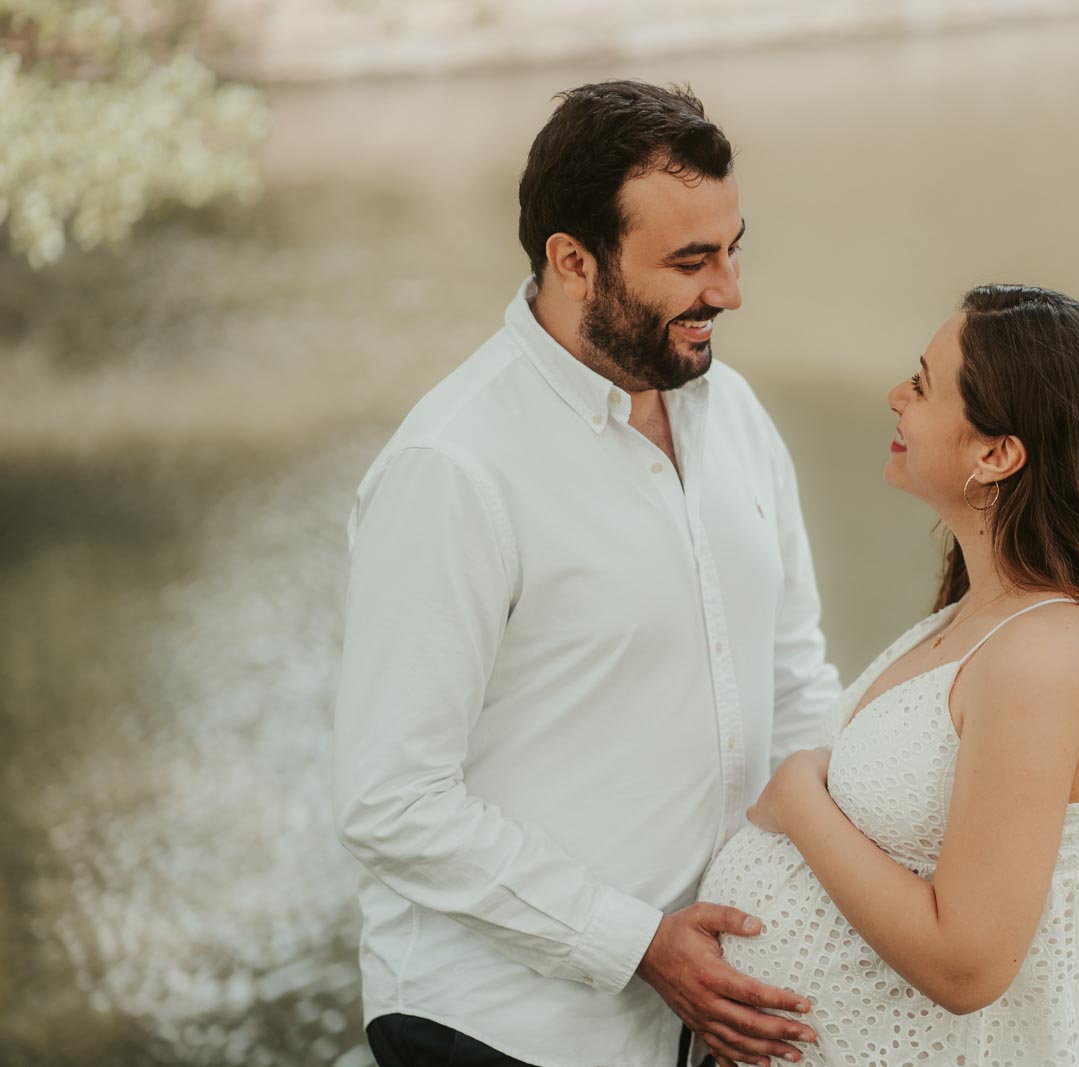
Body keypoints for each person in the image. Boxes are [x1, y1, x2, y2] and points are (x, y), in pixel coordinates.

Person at [332, 81, 842, 1067]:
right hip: (499, 1028)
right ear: (572, 259)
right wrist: (640, 942)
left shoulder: (730, 413)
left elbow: (794, 680)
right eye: (690, 261)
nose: (729, 289)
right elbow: (389, 799)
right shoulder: (453, 467)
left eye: (734, 248)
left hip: (701, 1021)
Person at [696, 284, 1079, 1066]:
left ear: (996, 453)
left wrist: (798, 800)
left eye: (921, 383)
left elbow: (968, 961)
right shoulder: (977, 617)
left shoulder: (1047, 654)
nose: (895, 396)